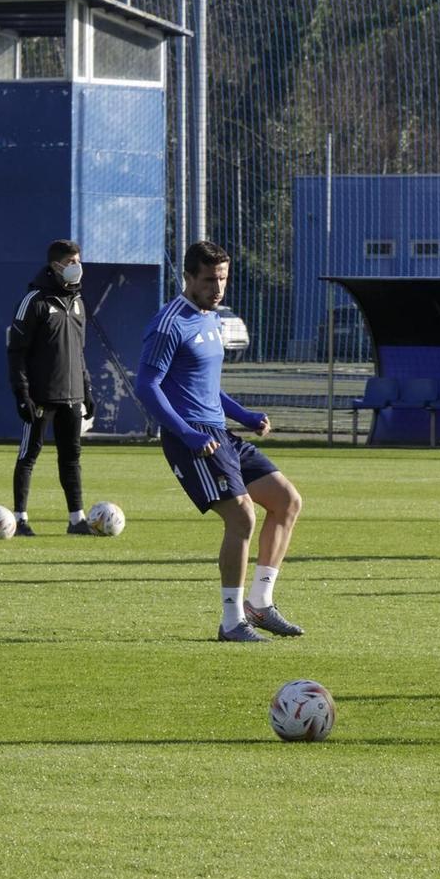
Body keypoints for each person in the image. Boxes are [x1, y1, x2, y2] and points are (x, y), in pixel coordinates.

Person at [135, 240, 304, 642]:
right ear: (188, 277)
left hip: (219, 433)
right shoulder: (168, 324)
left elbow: (205, 386)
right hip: (190, 438)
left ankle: (260, 605)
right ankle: (231, 622)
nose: (218, 288)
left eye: (223, 279)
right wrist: (188, 433)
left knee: (286, 501)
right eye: (210, 280)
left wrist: (244, 416)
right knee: (242, 517)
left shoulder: (211, 318)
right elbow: (146, 386)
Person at [7, 240, 95, 536]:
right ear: (56, 266)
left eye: (78, 261)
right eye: (71, 263)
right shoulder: (34, 301)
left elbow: (79, 352)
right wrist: (22, 394)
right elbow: (16, 352)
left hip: (72, 395)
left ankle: (76, 519)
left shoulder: (79, 302)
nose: (76, 268)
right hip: (40, 396)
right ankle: (19, 519)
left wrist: (87, 390)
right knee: (29, 454)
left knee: (72, 457)